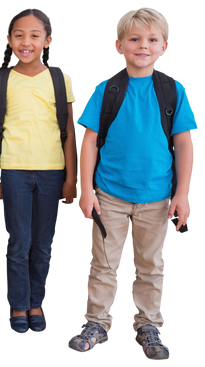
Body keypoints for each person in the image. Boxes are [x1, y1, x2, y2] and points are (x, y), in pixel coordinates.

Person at [64, 5, 198, 363]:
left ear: (165, 47)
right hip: (109, 195)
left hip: (158, 197)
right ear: (117, 45)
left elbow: (185, 142)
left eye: (152, 39)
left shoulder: (174, 89)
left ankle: (149, 326)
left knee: (152, 265)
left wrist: (183, 194)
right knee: (104, 264)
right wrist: (86, 190)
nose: (143, 45)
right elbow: (89, 140)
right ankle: (96, 323)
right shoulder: (106, 87)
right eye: (134, 39)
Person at [0, 5, 78, 337]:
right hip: (13, 172)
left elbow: (68, 129)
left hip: (53, 172)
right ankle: (18, 305)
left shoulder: (61, 79)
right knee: (18, 241)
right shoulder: (1, 78)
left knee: (43, 243)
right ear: (9, 40)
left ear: (48, 40)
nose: (26, 42)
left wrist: (72, 177)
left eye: (34, 35)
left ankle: (37, 303)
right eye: (18, 35)